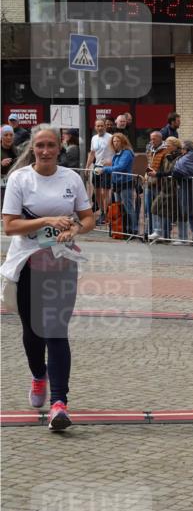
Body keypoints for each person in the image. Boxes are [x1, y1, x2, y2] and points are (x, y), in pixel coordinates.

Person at [1, 124, 95, 430]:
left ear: (58, 148)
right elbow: (10, 226)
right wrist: (47, 221)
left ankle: (59, 403)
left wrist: (74, 229)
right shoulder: (20, 178)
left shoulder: (71, 178)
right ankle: (38, 375)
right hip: (28, 263)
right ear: (33, 148)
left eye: (50, 145)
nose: (45, 150)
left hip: (62, 262)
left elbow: (88, 217)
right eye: (40, 145)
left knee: (56, 331)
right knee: (32, 333)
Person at [101, 132, 137, 236]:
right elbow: (115, 166)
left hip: (126, 183)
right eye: (114, 141)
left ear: (123, 141)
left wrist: (105, 169)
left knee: (128, 207)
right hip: (117, 184)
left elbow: (120, 167)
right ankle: (122, 228)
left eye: (118, 141)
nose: (116, 143)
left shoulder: (127, 153)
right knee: (119, 208)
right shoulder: (117, 153)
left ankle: (133, 229)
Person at [149, 136, 182, 241]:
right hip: (165, 187)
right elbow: (164, 169)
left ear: (175, 146)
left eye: (168, 145)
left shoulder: (179, 157)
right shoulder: (168, 155)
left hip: (174, 187)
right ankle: (158, 231)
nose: (166, 146)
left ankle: (166, 235)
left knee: (167, 212)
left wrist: (158, 174)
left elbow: (172, 171)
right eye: (166, 145)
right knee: (155, 208)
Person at [173, 139, 193, 244]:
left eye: (182, 148)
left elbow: (177, 172)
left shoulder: (184, 159)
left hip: (187, 187)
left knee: (190, 212)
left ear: (186, 149)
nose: (181, 150)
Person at [86, 118, 113, 223]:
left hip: (106, 169)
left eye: (102, 126)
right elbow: (92, 153)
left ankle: (106, 213)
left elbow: (116, 152)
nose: (100, 128)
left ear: (105, 126)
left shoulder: (111, 138)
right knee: (96, 192)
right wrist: (88, 166)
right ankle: (102, 211)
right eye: (98, 126)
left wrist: (111, 162)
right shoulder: (94, 138)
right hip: (96, 167)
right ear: (95, 127)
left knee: (105, 192)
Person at [143, 130, 167, 238]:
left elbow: (164, 167)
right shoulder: (150, 150)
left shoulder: (165, 151)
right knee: (149, 208)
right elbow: (149, 164)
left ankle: (160, 232)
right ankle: (150, 230)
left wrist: (156, 175)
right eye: (151, 138)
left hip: (159, 184)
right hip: (149, 183)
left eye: (154, 139)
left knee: (158, 208)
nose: (152, 141)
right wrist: (146, 175)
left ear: (160, 138)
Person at [1, 125, 18, 207]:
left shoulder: (17, 151)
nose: (9, 137)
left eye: (11, 135)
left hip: (14, 186)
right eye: (6, 135)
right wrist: (1, 164)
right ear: (1, 137)